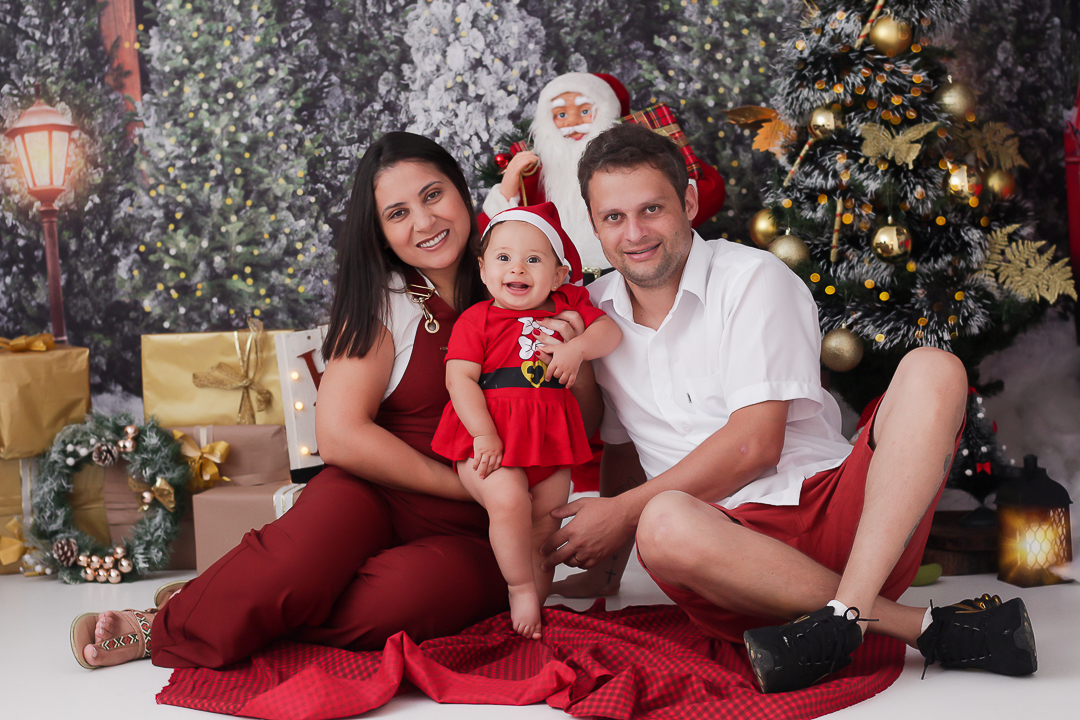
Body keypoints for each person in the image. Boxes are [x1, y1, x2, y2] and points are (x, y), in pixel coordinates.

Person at [69, 132, 600, 670]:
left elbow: (587, 421)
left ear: (461, 193)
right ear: (381, 232)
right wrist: (465, 485)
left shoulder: (527, 274)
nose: (424, 221)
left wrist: (572, 358)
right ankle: (168, 623)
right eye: (398, 213)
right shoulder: (387, 301)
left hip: (484, 527)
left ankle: (225, 596)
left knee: (391, 606)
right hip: (379, 491)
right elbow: (342, 435)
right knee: (294, 563)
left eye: (433, 195)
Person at [543, 122, 1037, 693]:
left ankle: (846, 614)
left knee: (935, 367)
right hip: (722, 563)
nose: (634, 233)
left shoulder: (752, 278)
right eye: (613, 217)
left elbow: (756, 446)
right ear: (593, 225)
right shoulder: (592, 318)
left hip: (844, 527)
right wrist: (607, 570)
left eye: (651, 209)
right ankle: (911, 627)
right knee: (661, 520)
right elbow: (624, 449)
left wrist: (620, 512)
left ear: (689, 202)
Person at [432, 202, 621, 639]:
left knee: (546, 521)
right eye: (503, 257)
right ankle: (518, 588)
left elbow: (609, 333)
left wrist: (577, 349)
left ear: (558, 275)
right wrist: (483, 434)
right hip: (490, 438)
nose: (517, 268)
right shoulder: (477, 319)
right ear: (483, 270)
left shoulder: (567, 308)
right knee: (510, 501)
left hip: (547, 441)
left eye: (533, 259)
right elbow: (459, 379)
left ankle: (536, 600)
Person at [481, 72, 724, 274]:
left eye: (584, 112)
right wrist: (508, 187)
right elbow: (495, 237)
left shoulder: (643, 162)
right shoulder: (537, 174)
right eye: (561, 115)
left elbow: (709, 191)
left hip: (631, 273)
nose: (573, 123)